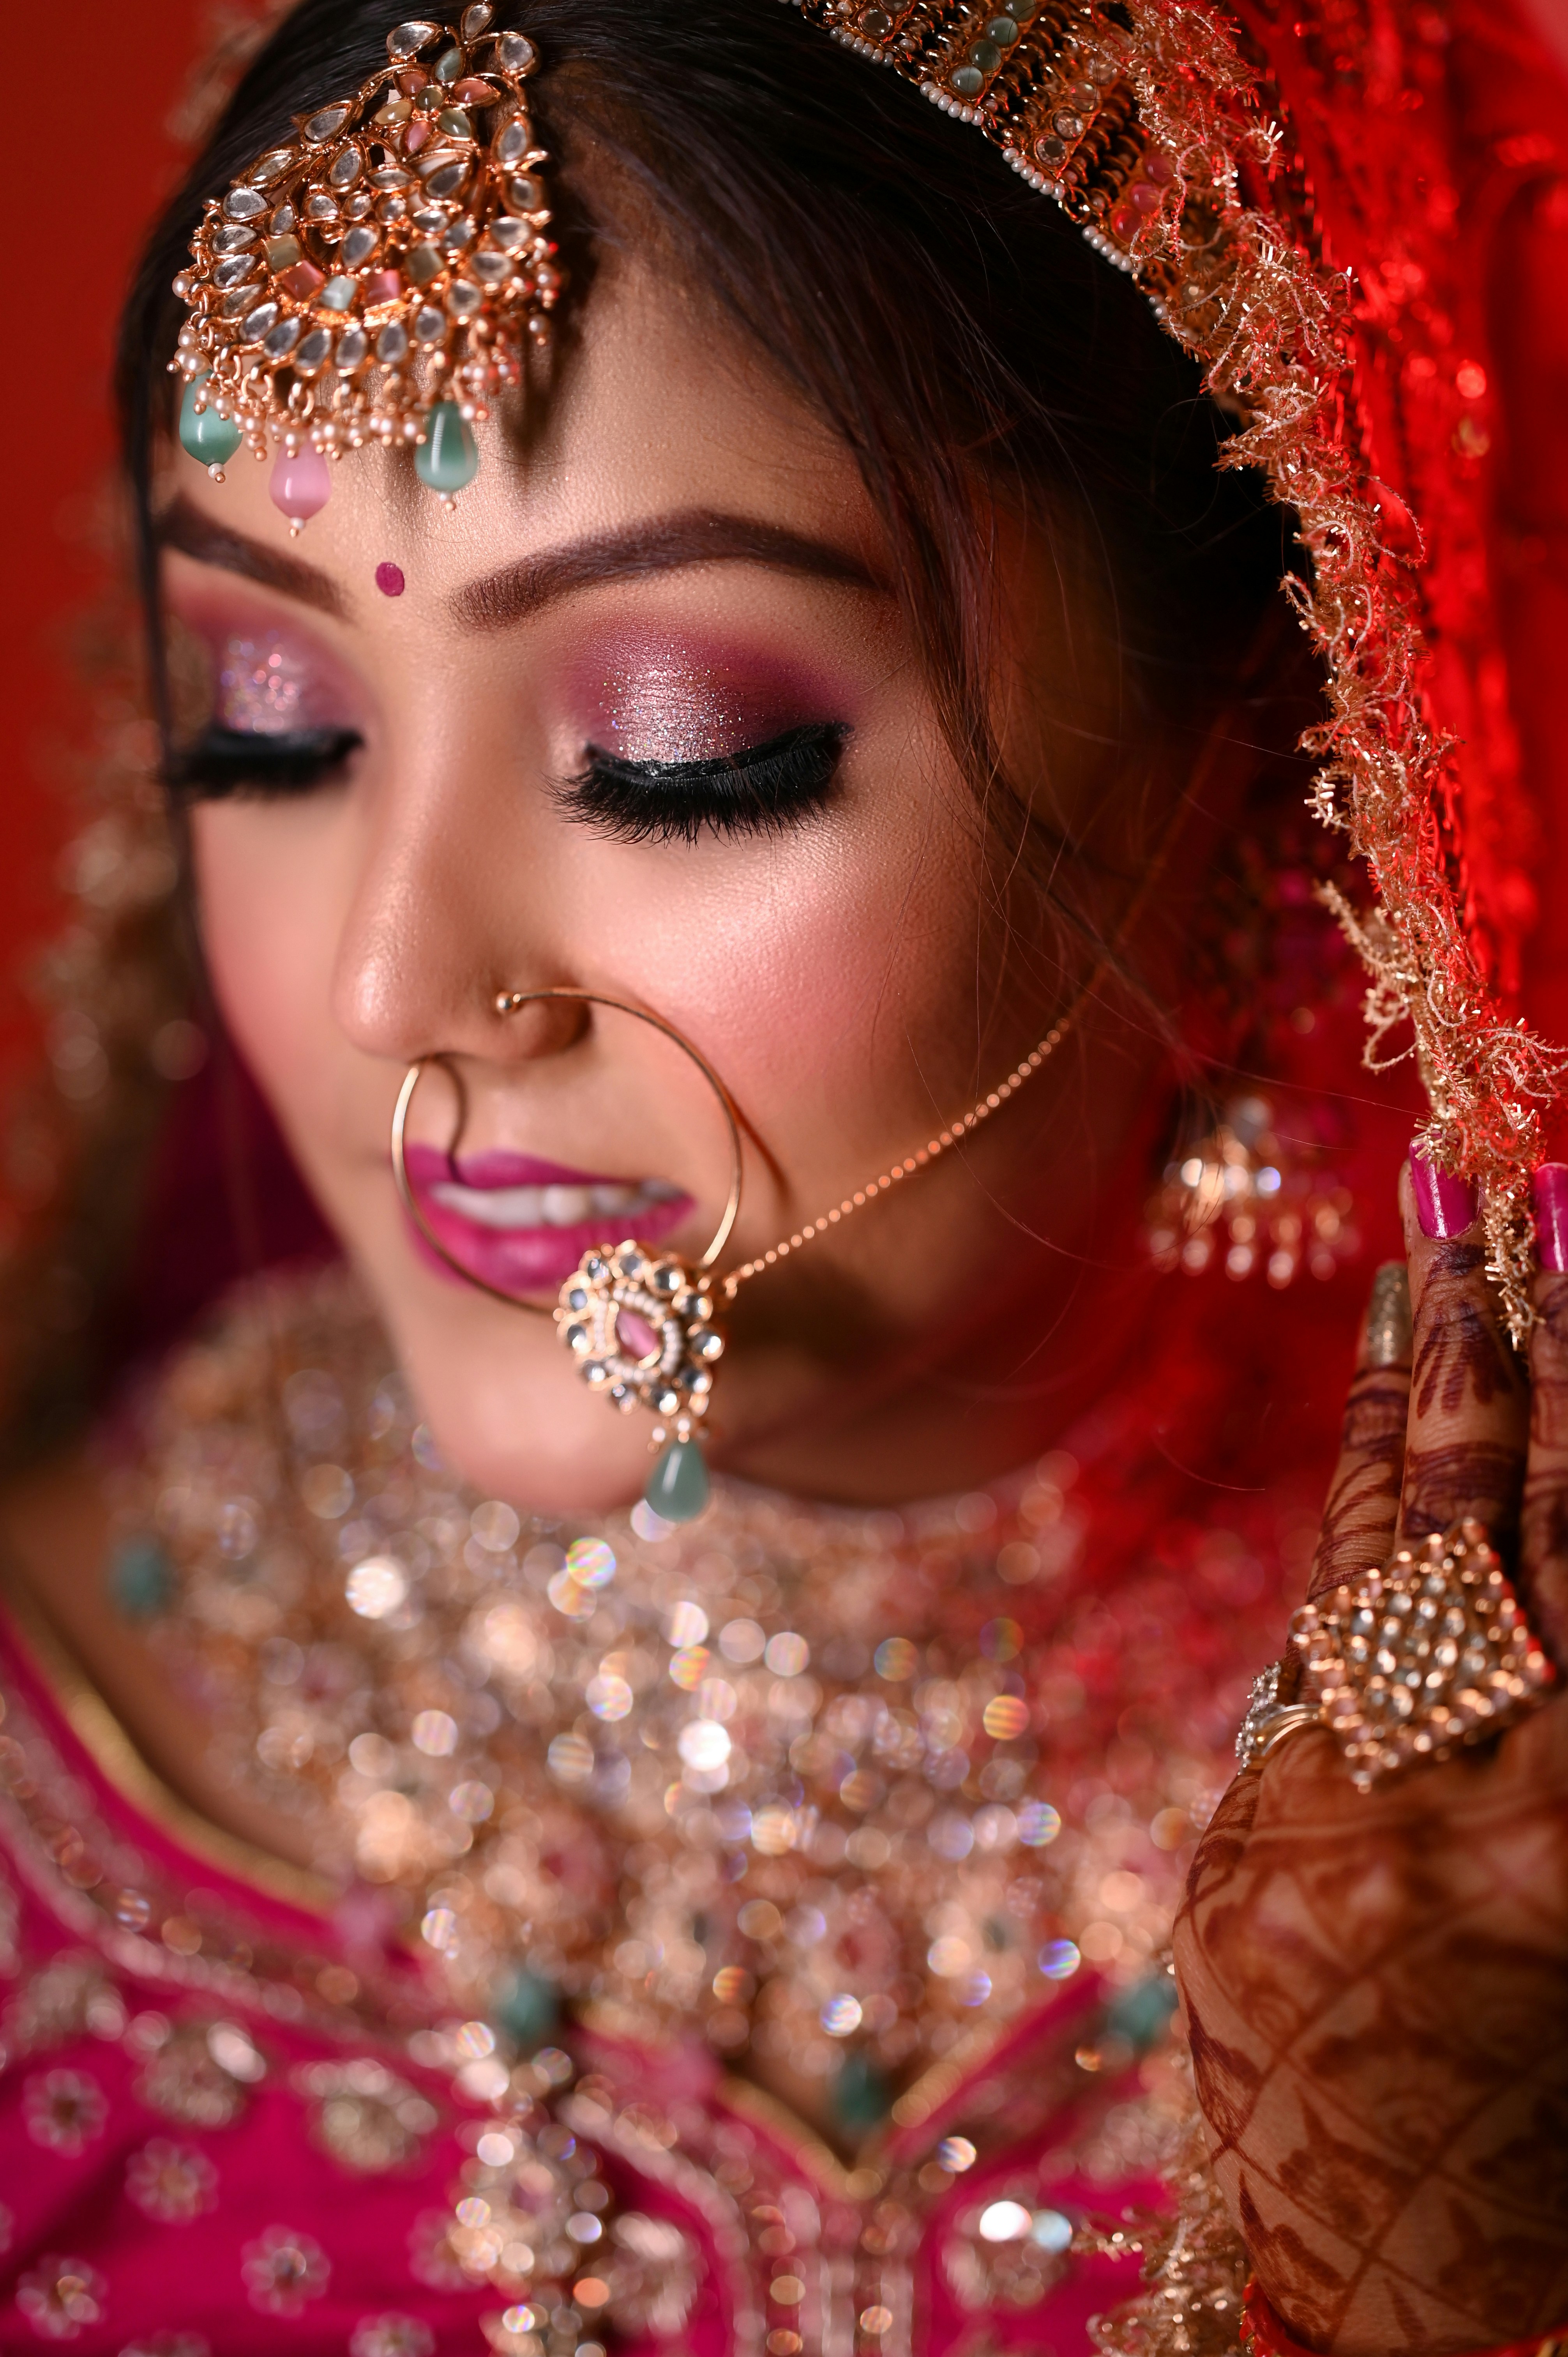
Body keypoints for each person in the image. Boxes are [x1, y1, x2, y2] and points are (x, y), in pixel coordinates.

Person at [0, 0, 1564, 2350]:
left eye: (675, 753)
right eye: (277, 725)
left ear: (1259, 785)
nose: (396, 983)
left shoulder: (1500, 1870)